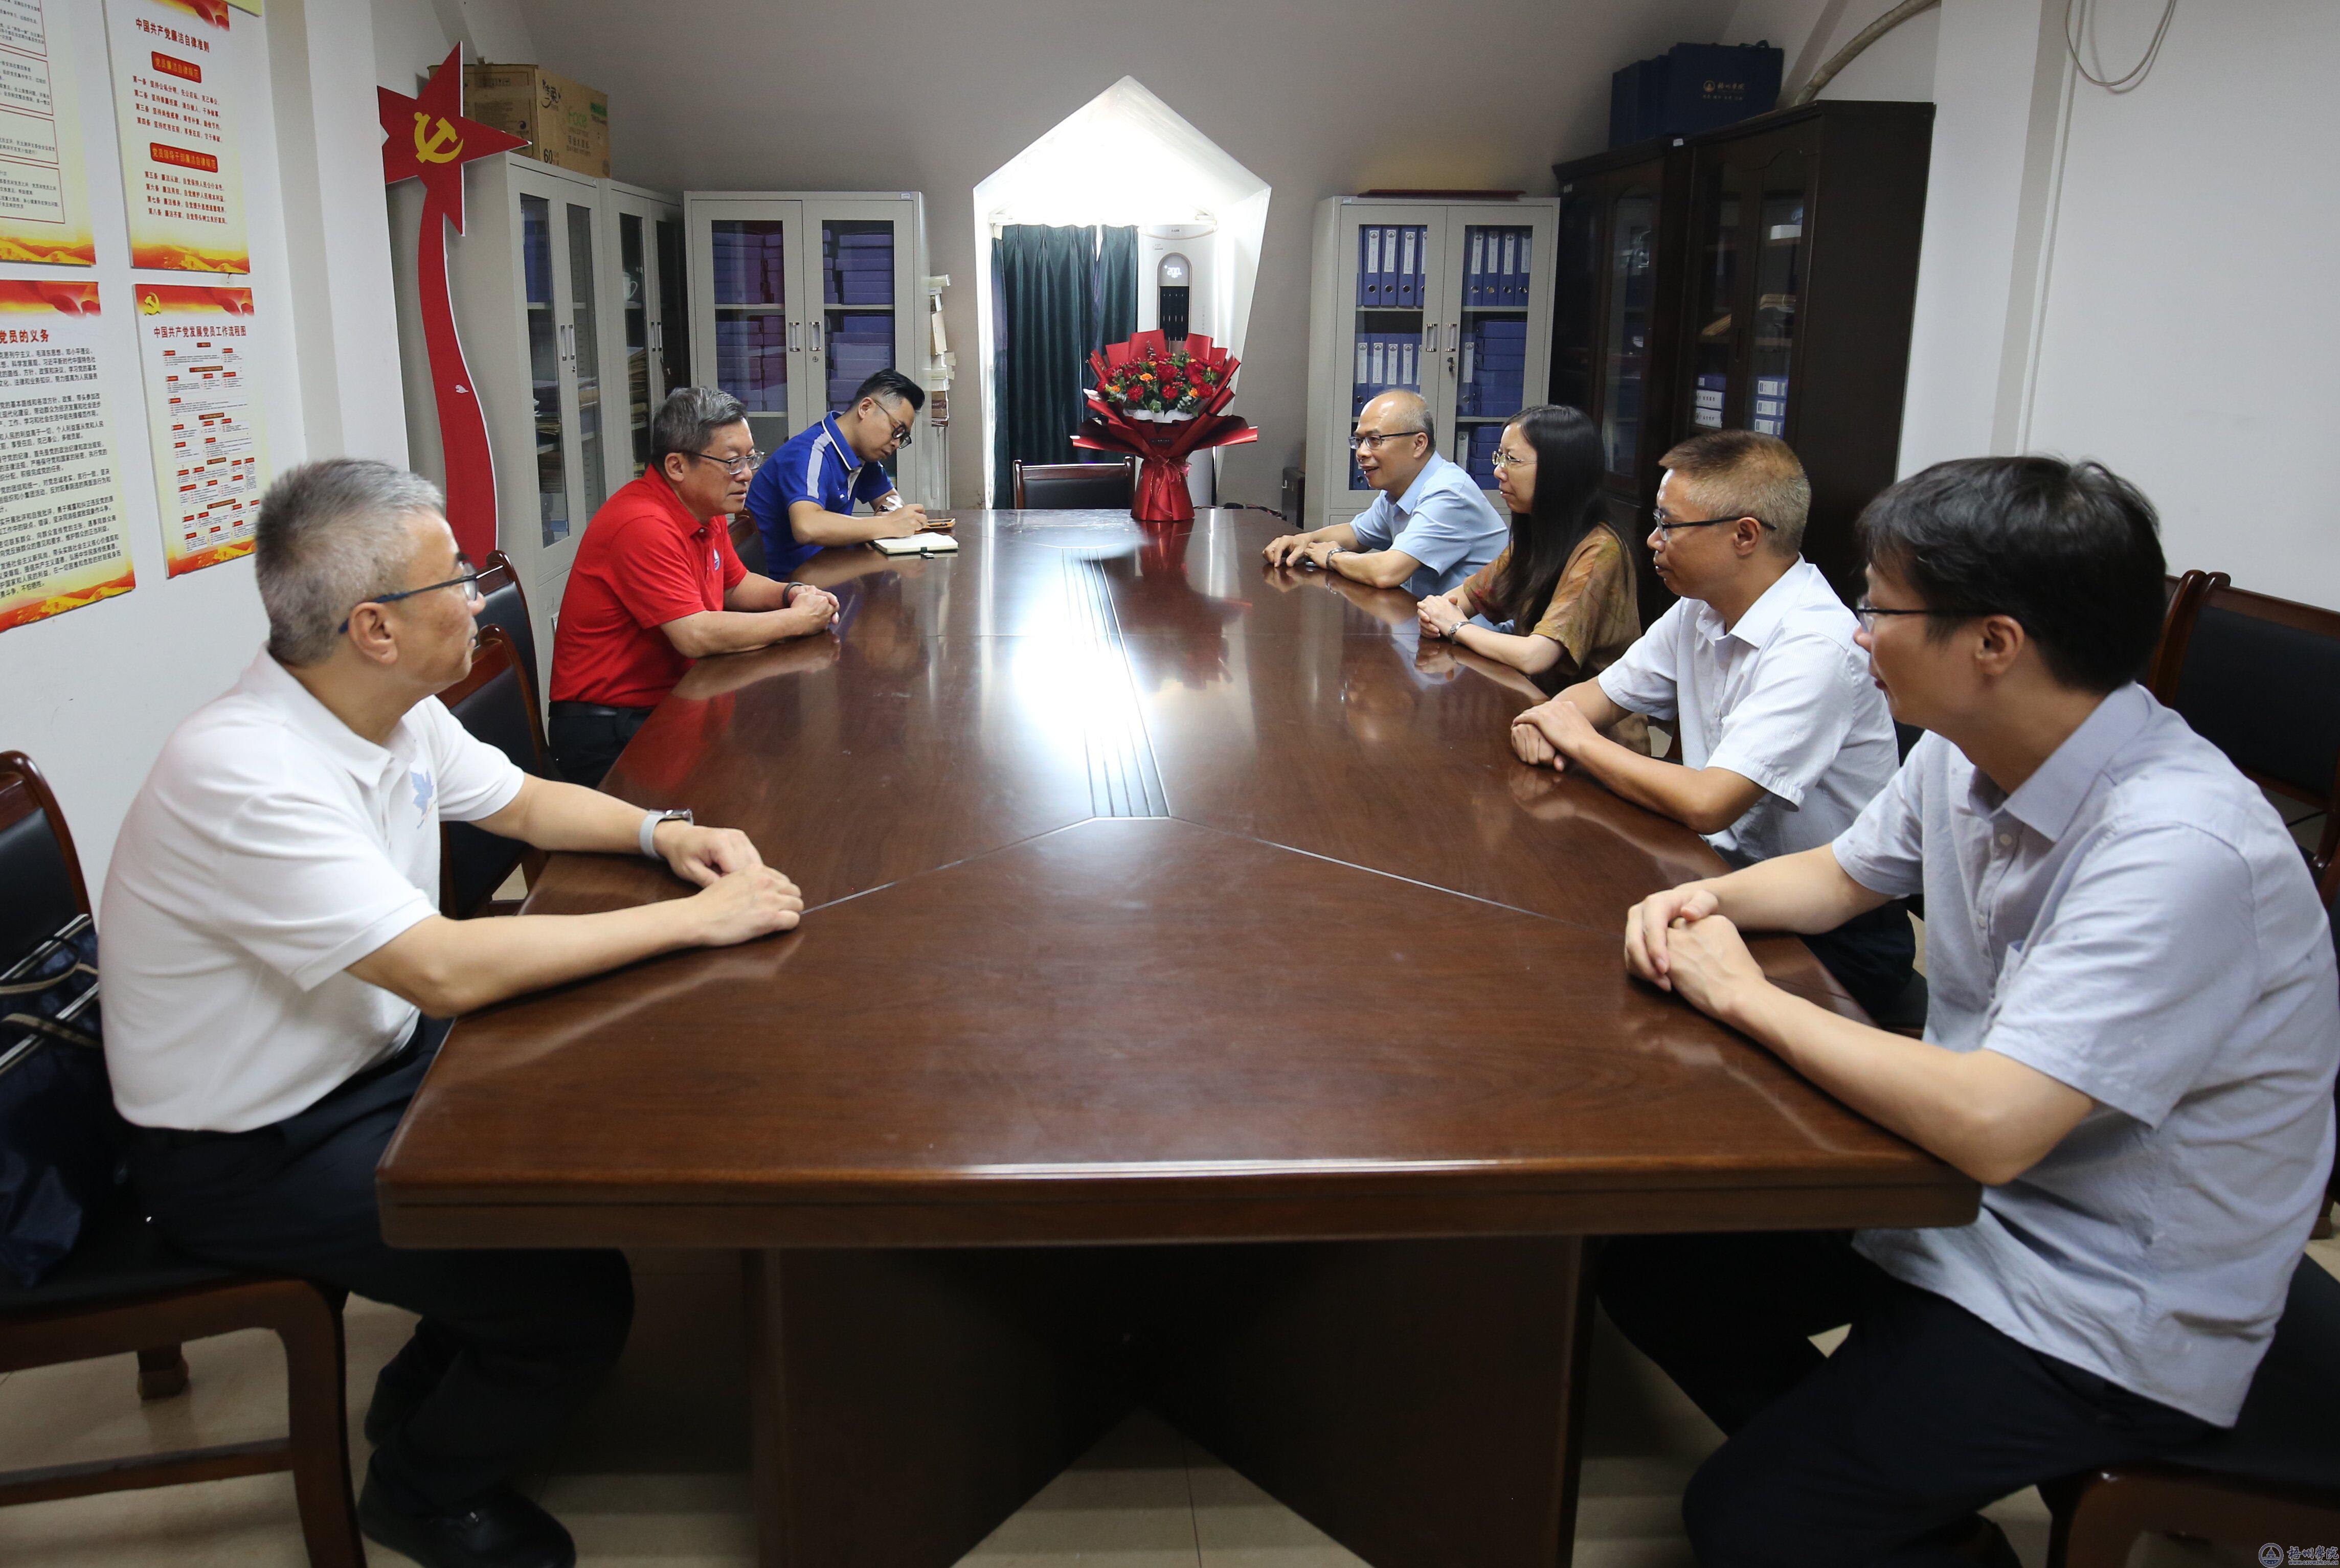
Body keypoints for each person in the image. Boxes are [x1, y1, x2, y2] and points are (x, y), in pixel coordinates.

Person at [1602, 456, 2340, 1567]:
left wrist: (1739, 993)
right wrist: (1698, 901)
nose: (1859, 633)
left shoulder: (2179, 847)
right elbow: (1840, 876)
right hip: (1957, 1200)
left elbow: (1995, 1124)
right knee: (1656, 1271)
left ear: (1992, 643)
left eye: (1881, 609)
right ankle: (1885, 1497)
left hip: (2105, 1289)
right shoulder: (1967, 748)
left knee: (1749, 1521)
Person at [101, 459, 805, 1568]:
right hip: (248, 1143)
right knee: (573, 1294)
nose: (479, 598)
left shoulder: (385, 710)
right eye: (457, 580)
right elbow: (441, 970)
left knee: (598, 1093)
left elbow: (521, 801)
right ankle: (422, 1490)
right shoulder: (244, 772)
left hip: (365, 1058)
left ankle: (424, 1386)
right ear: (374, 627)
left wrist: (663, 834)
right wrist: (697, 921)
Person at [1509, 430, 1913, 1019]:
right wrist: (1555, 721)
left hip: (1831, 929)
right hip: (1717, 874)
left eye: (1669, 525)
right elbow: (1591, 699)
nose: (1653, 540)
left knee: (1606, 998)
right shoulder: (1699, 608)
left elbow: (1708, 803)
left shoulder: (1815, 644)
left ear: (1744, 535)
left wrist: (1574, 737)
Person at [547, 386, 840, 786]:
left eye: (750, 458)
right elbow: (695, 635)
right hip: (611, 731)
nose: (747, 474)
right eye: (732, 462)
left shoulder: (704, 506)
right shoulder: (642, 524)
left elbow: (735, 585)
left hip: (674, 701)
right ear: (677, 466)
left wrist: (792, 594)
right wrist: (797, 621)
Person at [1416, 404, 1641, 701]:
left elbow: (1536, 656)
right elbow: (1457, 601)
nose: (1498, 471)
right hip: (1534, 703)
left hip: (1588, 722)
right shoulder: (1539, 536)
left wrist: (1455, 626)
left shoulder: (1600, 549)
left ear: (1558, 470)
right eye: (1499, 457)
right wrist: (1435, 617)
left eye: (1512, 460)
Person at [1261, 389, 1506, 598]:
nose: (1361, 453)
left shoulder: (1448, 494)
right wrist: (1304, 540)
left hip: (1470, 633)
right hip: (1429, 623)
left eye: (1375, 440)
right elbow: (1357, 535)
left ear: (1418, 444)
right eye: (1359, 441)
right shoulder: (1399, 490)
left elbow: (1387, 572)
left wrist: (1333, 557)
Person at [742, 367, 946, 579]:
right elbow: (807, 526)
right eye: (896, 431)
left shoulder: (863, 455)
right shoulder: (810, 452)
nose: (896, 443)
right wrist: (887, 524)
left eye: (903, 438)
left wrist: (888, 512)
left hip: (826, 567)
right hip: (788, 581)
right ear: (866, 408)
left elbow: (889, 497)